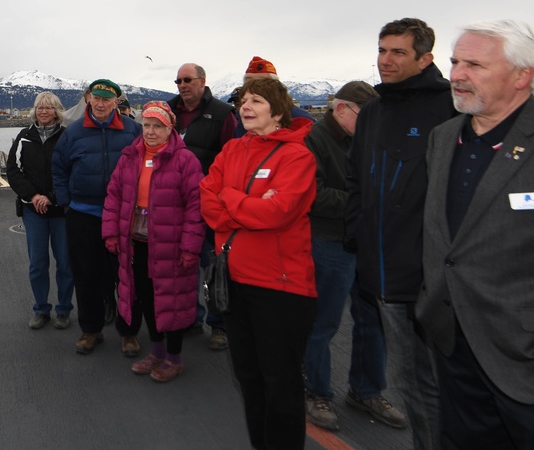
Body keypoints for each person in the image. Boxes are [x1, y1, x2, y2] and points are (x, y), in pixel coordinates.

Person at [416, 20, 534, 449]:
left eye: (474, 64)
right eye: (456, 61)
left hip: (531, 358)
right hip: (453, 342)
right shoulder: (443, 138)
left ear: (521, 75)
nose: (456, 74)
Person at [346, 17, 456, 450]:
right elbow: (356, 177)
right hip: (384, 274)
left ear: (425, 58)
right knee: (409, 380)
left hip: (436, 277)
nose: (385, 61)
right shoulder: (373, 111)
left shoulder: (451, 108)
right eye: (381, 50)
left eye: (398, 52)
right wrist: (357, 233)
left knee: (445, 382)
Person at [199, 78, 317, 450]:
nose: (245, 106)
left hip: (280, 287)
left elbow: (277, 213)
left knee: (280, 384)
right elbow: (207, 203)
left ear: (278, 110)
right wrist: (246, 204)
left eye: (256, 101)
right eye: (243, 100)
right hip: (233, 281)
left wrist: (230, 197)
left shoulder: (297, 156)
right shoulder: (231, 150)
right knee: (249, 378)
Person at [303, 81, 407, 432]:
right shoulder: (313, 140)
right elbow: (311, 194)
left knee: (371, 321)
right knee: (323, 323)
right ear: (342, 109)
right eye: (367, 116)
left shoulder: (367, 137)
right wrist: (364, 200)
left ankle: (366, 390)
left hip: (365, 241)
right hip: (329, 241)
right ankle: (316, 391)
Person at [102, 101, 205, 382]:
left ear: (170, 127)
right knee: (146, 297)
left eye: (157, 126)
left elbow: (197, 209)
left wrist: (189, 248)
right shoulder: (130, 157)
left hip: (170, 244)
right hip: (137, 240)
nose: (150, 131)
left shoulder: (186, 161)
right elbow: (113, 197)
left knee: (170, 300)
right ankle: (157, 352)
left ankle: (174, 358)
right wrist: (111, 232)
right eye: (146, 125)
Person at [52, 78, 141, 356]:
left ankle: (129, 333)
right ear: (89, 99)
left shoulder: (133, 130)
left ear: (117, 102)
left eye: (107, 100)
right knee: (86, 275)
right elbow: (59, 169)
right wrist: (67, 204)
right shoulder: (73, 132)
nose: (101, 104)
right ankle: (91, 330)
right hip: (84, 215)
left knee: (127, 276)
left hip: (123, 215)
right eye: (96, 99)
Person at [167, 62, 237, 351]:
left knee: (213, 266)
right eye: (178, 81)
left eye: (187, 80)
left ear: (202, 81)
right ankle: (189, 318)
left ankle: (219, 324)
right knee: (183, 266)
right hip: (174, 204)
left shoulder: (223, 114)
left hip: (209, 205)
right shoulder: (168, 111)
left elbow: (232, 160)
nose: (182, 85)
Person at [7, 92, 74, 330]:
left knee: (65, 263)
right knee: (38, 263)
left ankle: (64, 309)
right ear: (34, 111)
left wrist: (52, 197)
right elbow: (13, 171)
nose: (44, 111)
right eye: (40, 108)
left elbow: (72, 172)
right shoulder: (24, 137)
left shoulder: (67, 137)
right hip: (33, 210)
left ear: (57, 111)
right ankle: (41, 309)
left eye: (49, 108)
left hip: (61, 212)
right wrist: (34, 196)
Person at [232, 56, 314, 138]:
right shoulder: (241, 118)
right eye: (249, 81)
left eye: (261, 82)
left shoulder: (301, 120)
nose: (253, 87)